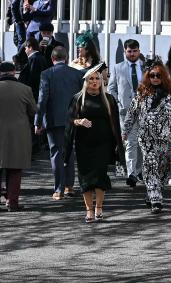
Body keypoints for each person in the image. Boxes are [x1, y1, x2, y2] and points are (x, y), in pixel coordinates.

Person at [65, 64, 124, 223]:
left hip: (103, 144)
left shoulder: (109, 98)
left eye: (97, 78)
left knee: (99, 175)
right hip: (84, 144)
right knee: (85, 177)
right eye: (91, 78)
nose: (94, 81)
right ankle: (88, 210)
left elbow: (115, 122)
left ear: (101, 80)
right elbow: (70, 119)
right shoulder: (78, 98)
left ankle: (98, 207)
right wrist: (79, 121)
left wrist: (118, 142)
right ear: (85, 80)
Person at [122, 57, 171, 214]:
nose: (155, 78)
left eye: (158, 75)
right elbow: (131, 114)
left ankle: (152, 193)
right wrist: (125, 132)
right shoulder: (141, 94)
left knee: (163, 169)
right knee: (150, 165)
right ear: (147, 76)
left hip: (166, 139)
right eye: (152, 75)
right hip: (146, 138)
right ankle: (156, 200)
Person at [35, 46, 84, 200]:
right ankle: (69, 186)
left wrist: (38, 121)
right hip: (73, 119)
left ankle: (59, 189)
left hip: (53, 119)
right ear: (67, 57)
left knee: (56, 153)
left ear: (52, 58)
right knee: (69, 152)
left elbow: (42, 99)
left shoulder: (46, 74)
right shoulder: (77, 74)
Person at [0, 62, 36, 211]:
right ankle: (12, 202)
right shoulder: (25, 89)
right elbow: (33, 110)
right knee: (15, 169)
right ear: (14, 72)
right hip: (18, 133)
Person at [108, 38, 144, 187]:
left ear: (139, 51)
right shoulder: (118, 68)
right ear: (125, 52)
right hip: (126, 112)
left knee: (143, 143)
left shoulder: (145, 67)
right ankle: (131, 174)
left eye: (135, 51)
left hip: (144, 111)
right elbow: (111, 88)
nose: (132, 54)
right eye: (129, 51)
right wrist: (118, 102)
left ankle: (139, 170)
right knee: (130, 143)